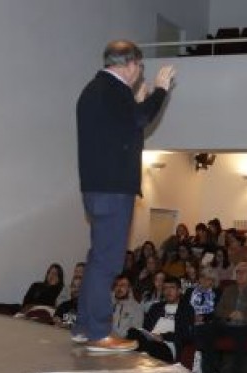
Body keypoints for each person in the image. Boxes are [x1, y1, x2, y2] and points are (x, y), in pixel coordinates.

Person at [74, 39, 176, 351]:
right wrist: (160, 90)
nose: (141, 72)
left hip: (98, 187)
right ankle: (99, 332)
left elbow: (125, 129)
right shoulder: (112, 89)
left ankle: (84, 326)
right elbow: (140, 120)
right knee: (108, 262)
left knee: (97, 260)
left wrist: (136, 101)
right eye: (140, 66)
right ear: (129, 63)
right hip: (113, 189)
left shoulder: (96, 90)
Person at [127, 276, 194, 363]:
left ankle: (142, 353)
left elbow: (185, 334)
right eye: (165, 288)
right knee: (132, 332)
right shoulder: (156, 307)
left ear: (179, 291)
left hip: (168, 345)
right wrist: (146, 334)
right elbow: (146, 327)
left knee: (152, 346)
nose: (168, 291)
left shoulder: (186, 309)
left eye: (172, 288)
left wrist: (163, 337)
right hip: (150, 340)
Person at [111, 274, 144, 339]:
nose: (119, 288)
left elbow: (136, 331)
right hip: (102, 340)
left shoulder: (136, 308)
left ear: (129, 288)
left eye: (123, 285)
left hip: (123, 343)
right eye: (116, 285)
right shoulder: (105, 303)